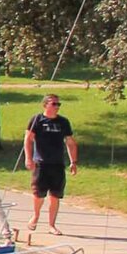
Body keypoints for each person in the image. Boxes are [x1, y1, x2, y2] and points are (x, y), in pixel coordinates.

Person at [23, 93, 77, 238]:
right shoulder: (37, 119)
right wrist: (28, 158)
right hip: (41, 163)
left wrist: (73, 161)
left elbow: (70, 142)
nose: (57, 107)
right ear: (45, 105)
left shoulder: (63, 122)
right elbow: (28, 139)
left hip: (57, 163)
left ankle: (52, 225)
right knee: (38, 194)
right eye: (54, 104)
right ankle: (35, 216)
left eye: (58, 104)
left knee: (55, 195)